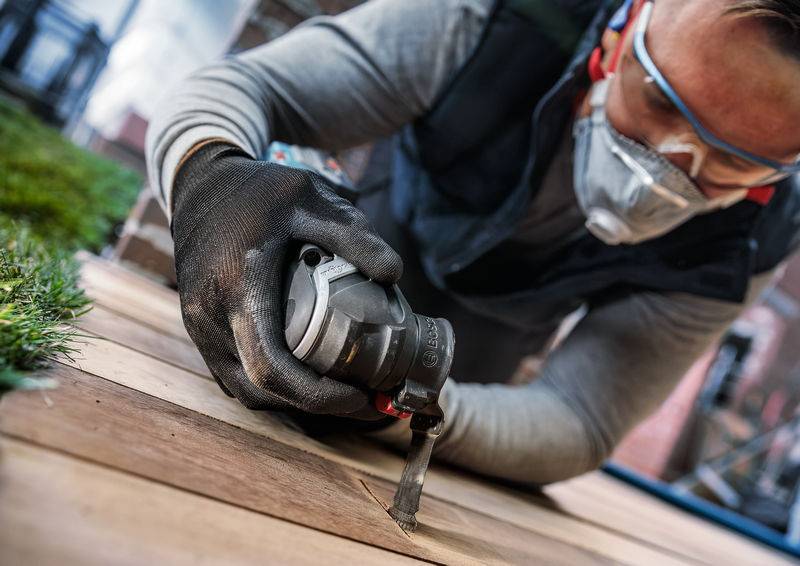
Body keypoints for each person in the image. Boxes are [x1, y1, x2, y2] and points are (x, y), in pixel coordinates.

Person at [145, 0, 800, 484]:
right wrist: (212, 183)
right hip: (375, 233)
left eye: (733, 160)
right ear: (626, 28)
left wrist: (418, 401)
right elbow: (242, 89)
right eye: (659, 99)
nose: (666, 170)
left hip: (478, 366)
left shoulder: (752, 239)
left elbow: (581, 417)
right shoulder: (498, 17)